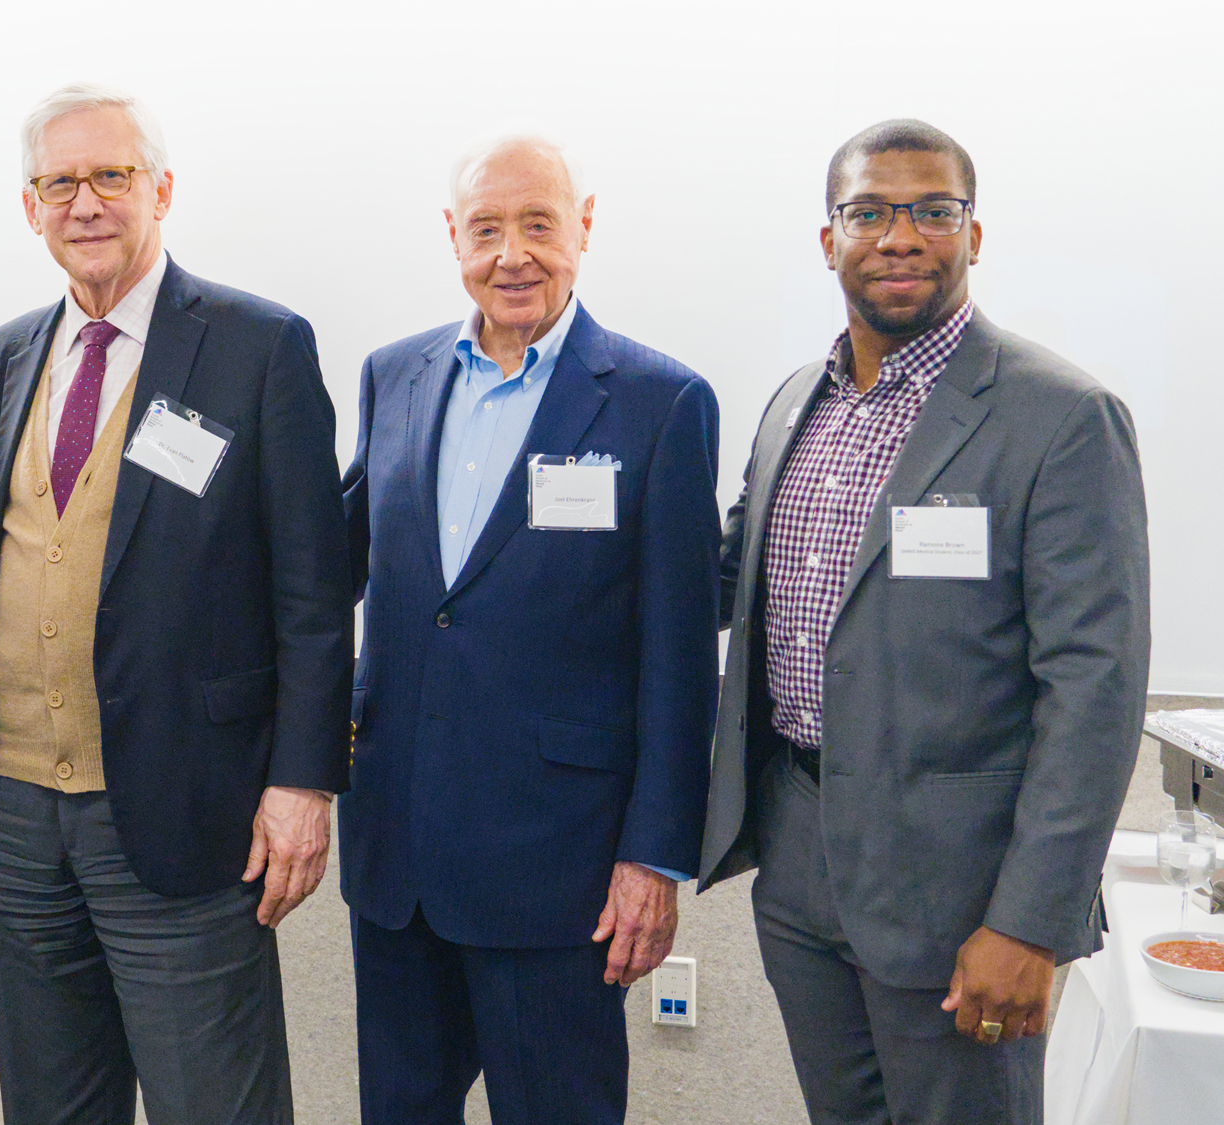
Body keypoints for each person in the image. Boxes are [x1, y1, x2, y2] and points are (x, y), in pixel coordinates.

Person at [697, 119, 1150, 1124]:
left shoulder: (1059, 417)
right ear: (828, 240)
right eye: (867, 211)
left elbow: (1094, 689)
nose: (896, 235)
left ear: (971, 235)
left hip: (961, 894)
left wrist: (1028, 923)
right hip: (797, 854)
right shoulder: (789, 408)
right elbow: (721, 584)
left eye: (929, 211)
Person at [0, 83, 352, 1124]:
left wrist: (302, 782)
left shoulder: (258, 347)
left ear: (160, 190)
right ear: (29, 206)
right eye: (58, 183)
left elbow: (312, 592)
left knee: (212, 1104)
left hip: (185, 811)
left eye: (110, 177)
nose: (85, 204)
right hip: (19, 824)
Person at [340, 136, 721, 1125]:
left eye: (538, 225)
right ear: (452, 238)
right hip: (398, 857)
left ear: (582, 227)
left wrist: (654, 859)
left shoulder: (658, 403)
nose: (512, 254)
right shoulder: (393, 377)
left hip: (561, 870)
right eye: (485, 229)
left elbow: (680, 658)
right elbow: (338, 567)